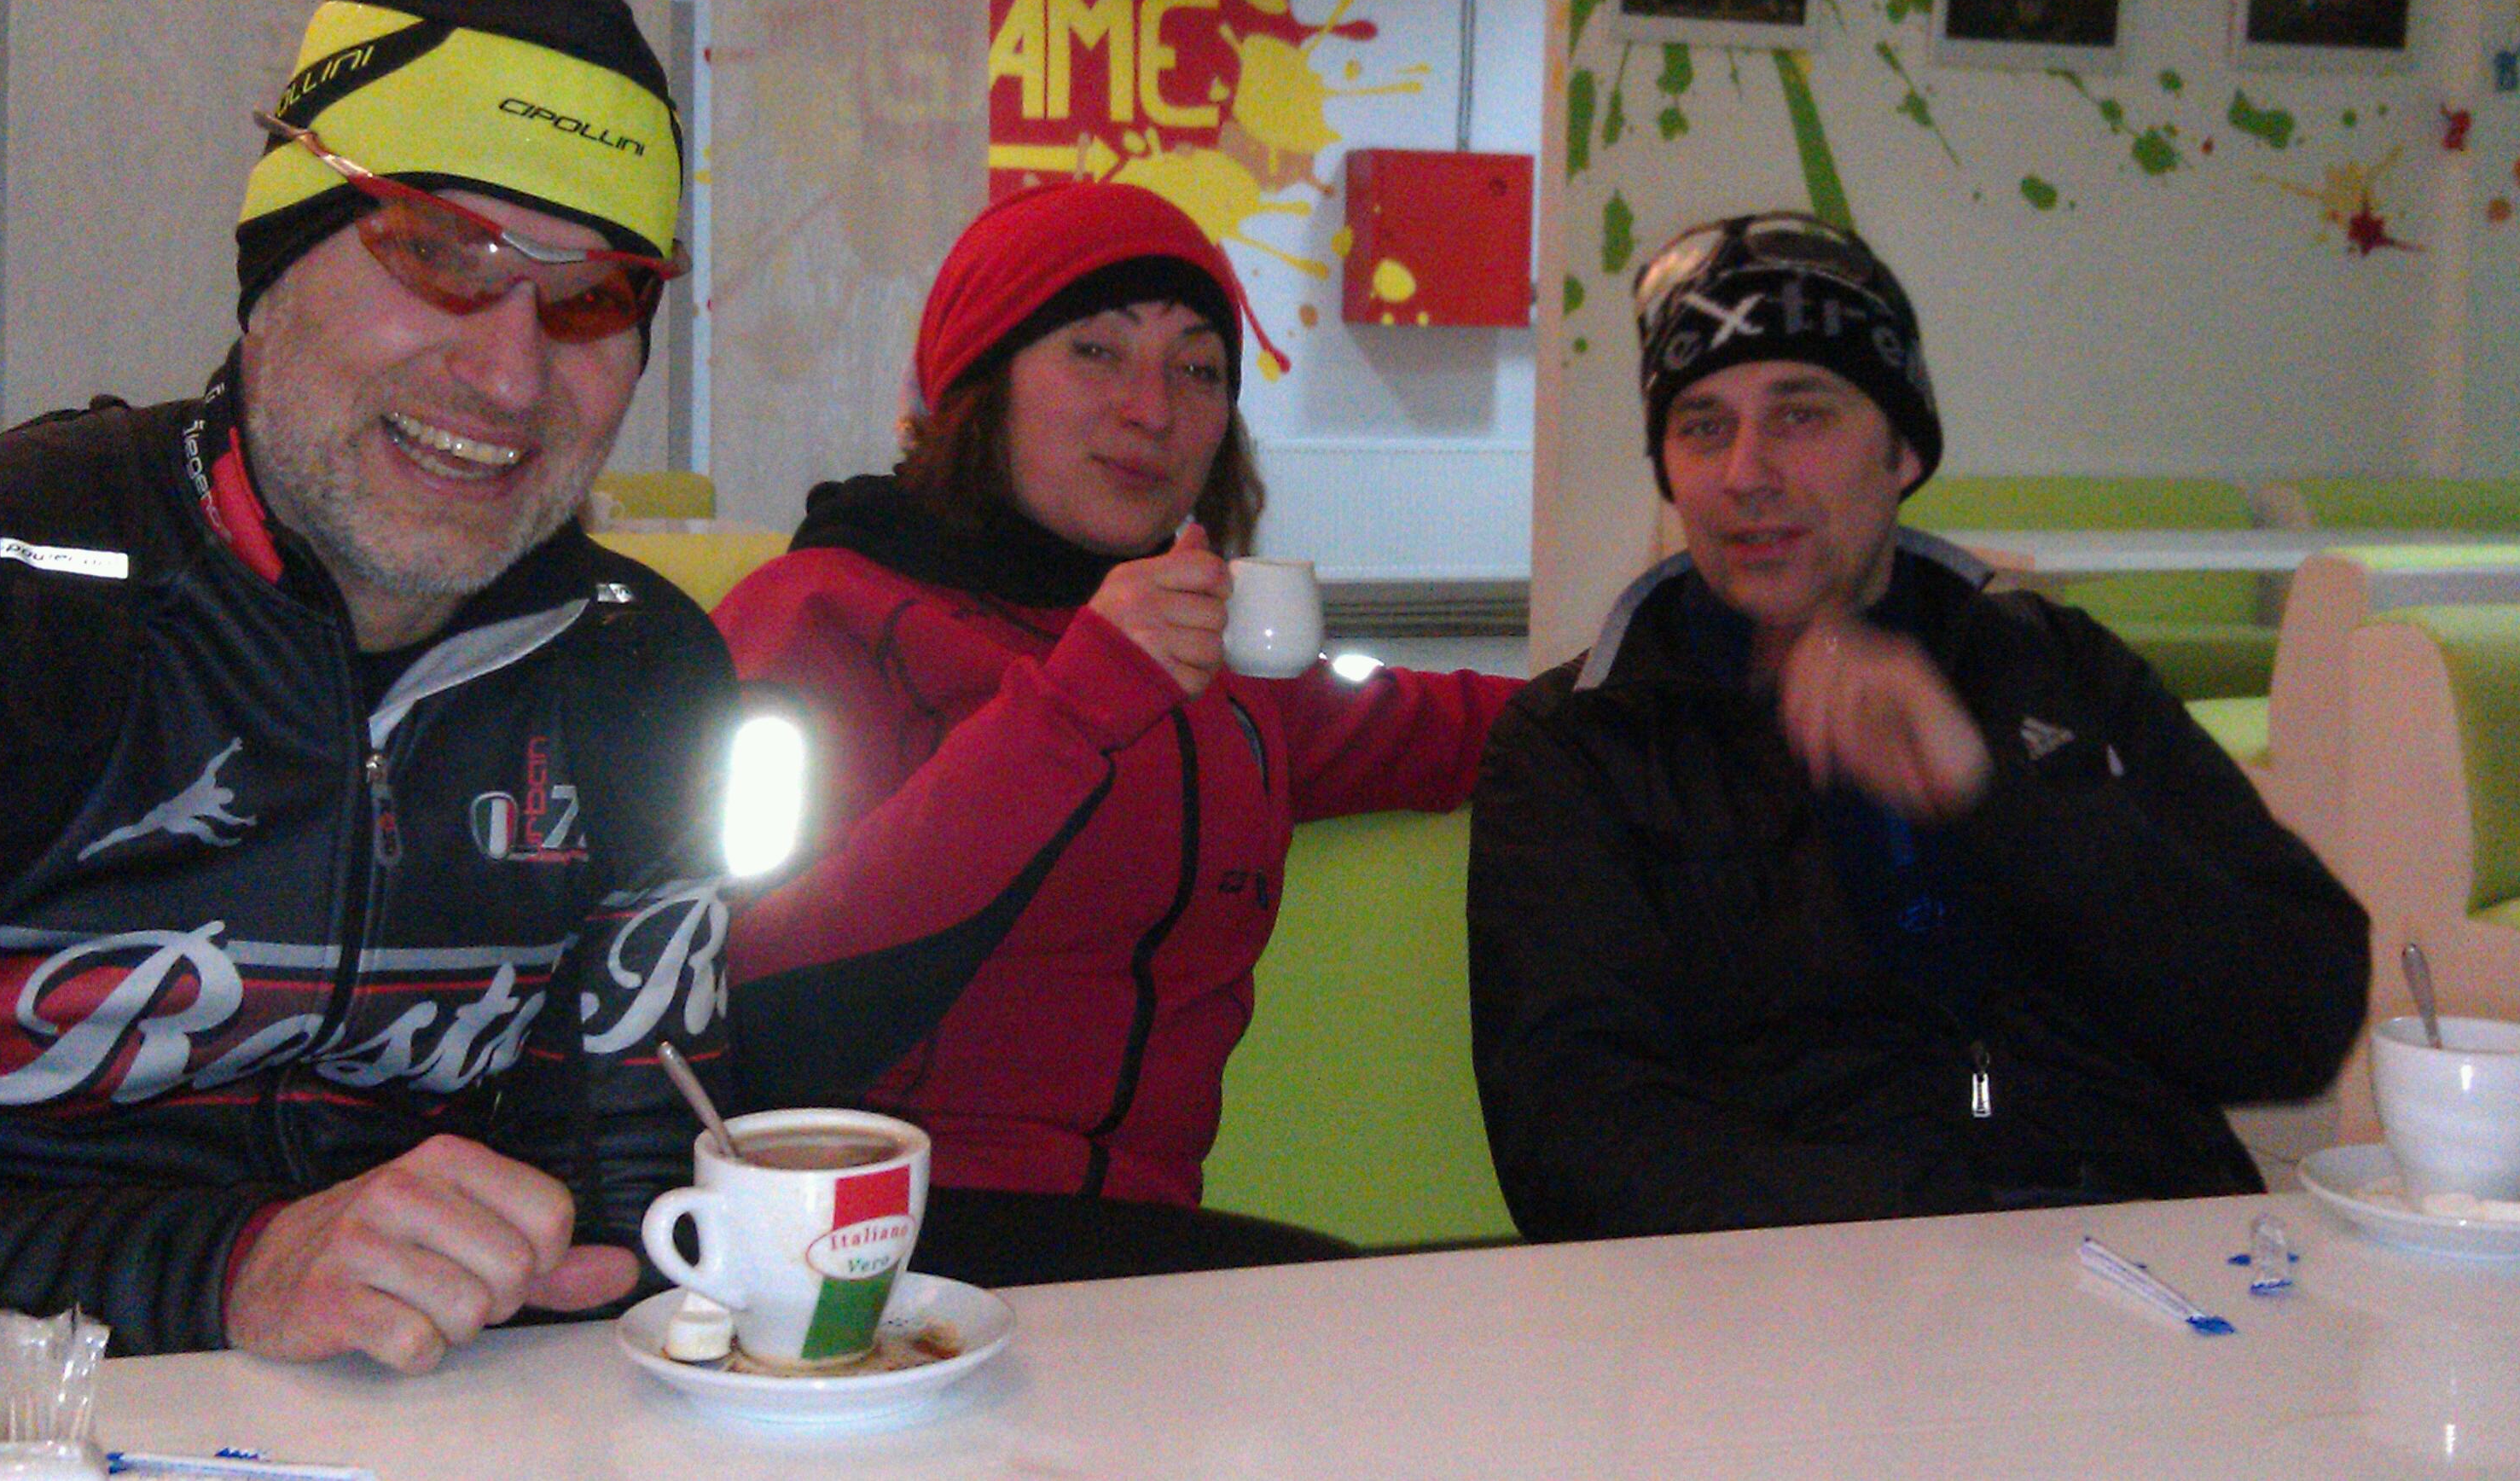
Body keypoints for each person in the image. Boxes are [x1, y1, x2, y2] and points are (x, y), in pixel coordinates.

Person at [0, 0, 738, 1367]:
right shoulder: (18, 579)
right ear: (274, 264)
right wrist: (228, 1270)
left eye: (590, 296)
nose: (508, 374)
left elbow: (641, 1209)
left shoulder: (642, 676)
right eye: (439, 252)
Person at [1468, 212, 2368, 1240]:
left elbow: (2295, 1022)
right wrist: (1936, 1239)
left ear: (1901, 449)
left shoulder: (2054, 668)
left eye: (1799, 414)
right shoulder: (1586, 739)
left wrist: (2003, 800)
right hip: (1812, 1288)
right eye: (1703, 426)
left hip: (2151, 1249)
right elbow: (1573, 1140)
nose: (1745, 472)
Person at [718, 177, 1518, 1283]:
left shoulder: (1215, 666)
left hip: (1133, 1252)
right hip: (856, 1243)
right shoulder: (814, 614)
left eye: (1199, 369)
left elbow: (1465, 727)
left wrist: (1712, 672)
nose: (1154, 409)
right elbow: (759, 1001)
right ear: (976, 385)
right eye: (1096, 350)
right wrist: (1078, 697)